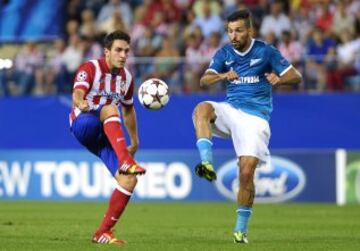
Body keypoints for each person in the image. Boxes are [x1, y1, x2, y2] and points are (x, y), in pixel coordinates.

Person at [192, 9, 302, 244]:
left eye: (238, 31)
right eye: (230, 31)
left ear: (249, 31)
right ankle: (207, 163)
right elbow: (204, 80)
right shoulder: (224, 53)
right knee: (202, 109)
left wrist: (279, 80)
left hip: (255, 118)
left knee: (245, 172)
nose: (233, 35)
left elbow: (296, 76)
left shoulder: (266, 51)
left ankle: (240, 232)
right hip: (231, 110)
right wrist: (222, 76)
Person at [69, 30, 146, 245]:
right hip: (83, 123)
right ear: (107, 52)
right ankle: (125, 160)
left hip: (105, 133)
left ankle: (103, 232)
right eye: (118, 50)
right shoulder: (90, 68)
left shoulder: (127, 79)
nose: (123, 55)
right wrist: (81, 102)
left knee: (129, 180)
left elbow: (129, 110)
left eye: (126, 51)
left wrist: (135, 140)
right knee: (110, 108)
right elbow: (77, 93)